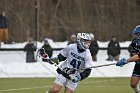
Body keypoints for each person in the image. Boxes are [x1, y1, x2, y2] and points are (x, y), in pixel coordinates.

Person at [116, 25, 140, 93]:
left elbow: (138, 56)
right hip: (138, 65)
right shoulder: (134, 42)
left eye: (136, 34)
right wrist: (132, 58)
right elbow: (134, 53)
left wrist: (125, 61)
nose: (135, 36)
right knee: (133, 84)